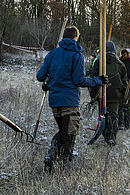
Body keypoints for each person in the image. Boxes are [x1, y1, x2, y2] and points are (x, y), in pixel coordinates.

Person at [36, 26, 105, 171]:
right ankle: (61, 164)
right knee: (69, 135)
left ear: (63, 38)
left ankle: (53, 159)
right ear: (76, 38)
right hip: (70, 101)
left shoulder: (53, 53)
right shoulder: (76, 55)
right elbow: (78, 80)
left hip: (55, 102)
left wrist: (49, 82)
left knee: (63, 131)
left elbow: (40, 76)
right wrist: (98, 81)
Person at [89, 41, 127, 145]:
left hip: (101, 93)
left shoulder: (98, 62)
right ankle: (111, 137)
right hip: (116, 94)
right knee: (114, 115)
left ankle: (106, 135)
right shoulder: (120, 64)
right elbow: (125, 82)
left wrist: (93, 95)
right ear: (114, 51)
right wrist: (123, 96)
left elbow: (93, 79)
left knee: (103, 114)